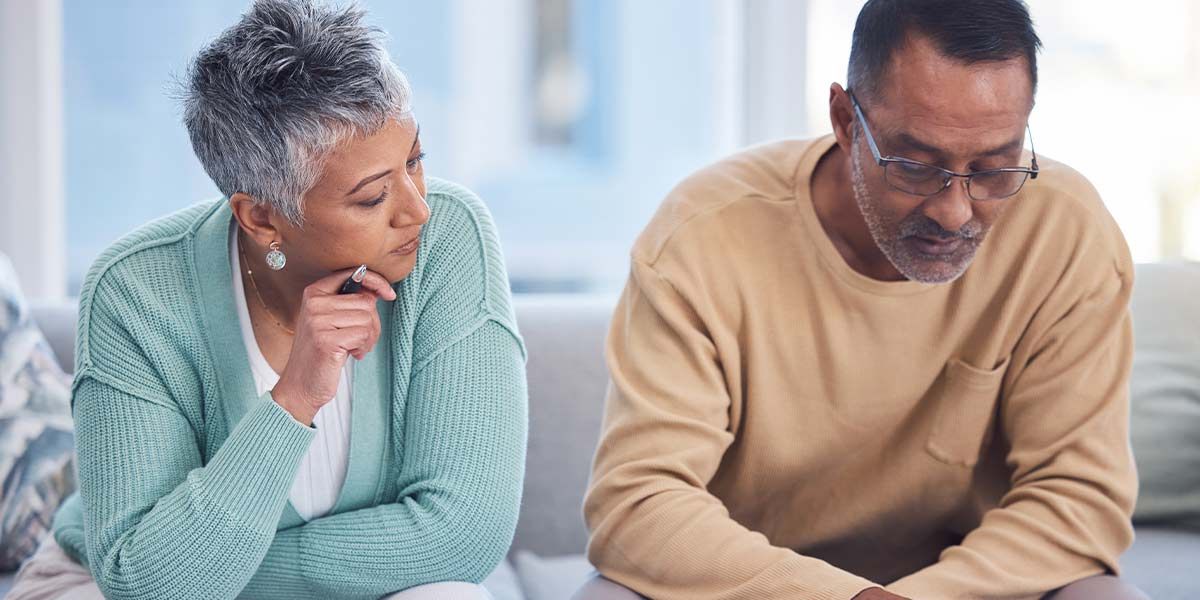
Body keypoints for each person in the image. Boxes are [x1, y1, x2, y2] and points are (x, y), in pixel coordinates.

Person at [576, 0, 1147, 598]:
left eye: (993, 167)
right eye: (915, 166)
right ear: (846, 120)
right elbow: (637, 504)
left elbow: (1079, 501)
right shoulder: (701, 237)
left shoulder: (1065, 230)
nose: (955, 212)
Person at [7, 1, 526, 599]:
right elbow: (144, 583)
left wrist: (214, 572)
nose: (418, 209)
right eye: (372, 197)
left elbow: (463, 535)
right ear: (260, 217)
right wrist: (294, 398)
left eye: (415, 162)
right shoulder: (134, 292)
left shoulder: (449, 238)